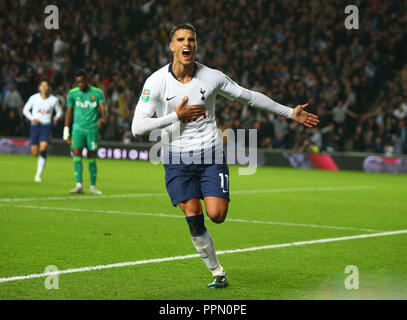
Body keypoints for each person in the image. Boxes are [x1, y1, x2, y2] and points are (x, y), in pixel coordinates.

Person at [131, 23, 319, 288]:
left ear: (196, 45)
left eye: (192, 40)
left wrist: (290, 112)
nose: (187, 44)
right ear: (172, 46)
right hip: (176, 158)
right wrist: (176, 116)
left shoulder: (212, 77)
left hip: (210, 153)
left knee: (217, 214)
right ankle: (217, 271)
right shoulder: (156, 82)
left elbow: (249, 97)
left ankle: (213, 243)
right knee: (194, 215)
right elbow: (137, 127)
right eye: (181, 40)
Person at [63, 69, 107, 194]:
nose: (80, 85)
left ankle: (93, 186)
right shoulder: (72, 93)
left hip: (92, 129)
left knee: (92, 156)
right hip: (77, 128)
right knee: (76, 154)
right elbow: (69, 112)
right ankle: (79, 185)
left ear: (86, 80)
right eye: (78, 83)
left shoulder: (97, 93)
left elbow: (104, 110)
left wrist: (102, 120)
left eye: (82, 82)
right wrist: (66, 130)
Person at [23, 79, 63, 182]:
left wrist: (56, 117)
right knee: (34, 153)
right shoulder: (34, 98)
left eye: (46, 86)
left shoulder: (53, 100)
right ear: (39, 87)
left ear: (49, 88)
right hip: (35, 127)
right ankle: (39, 159)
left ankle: (38, 175)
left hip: (46, 126)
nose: (44, 88)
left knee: (44, 147)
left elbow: (59, 112)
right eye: (42, 85)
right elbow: (25, 110)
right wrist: (32, 118)